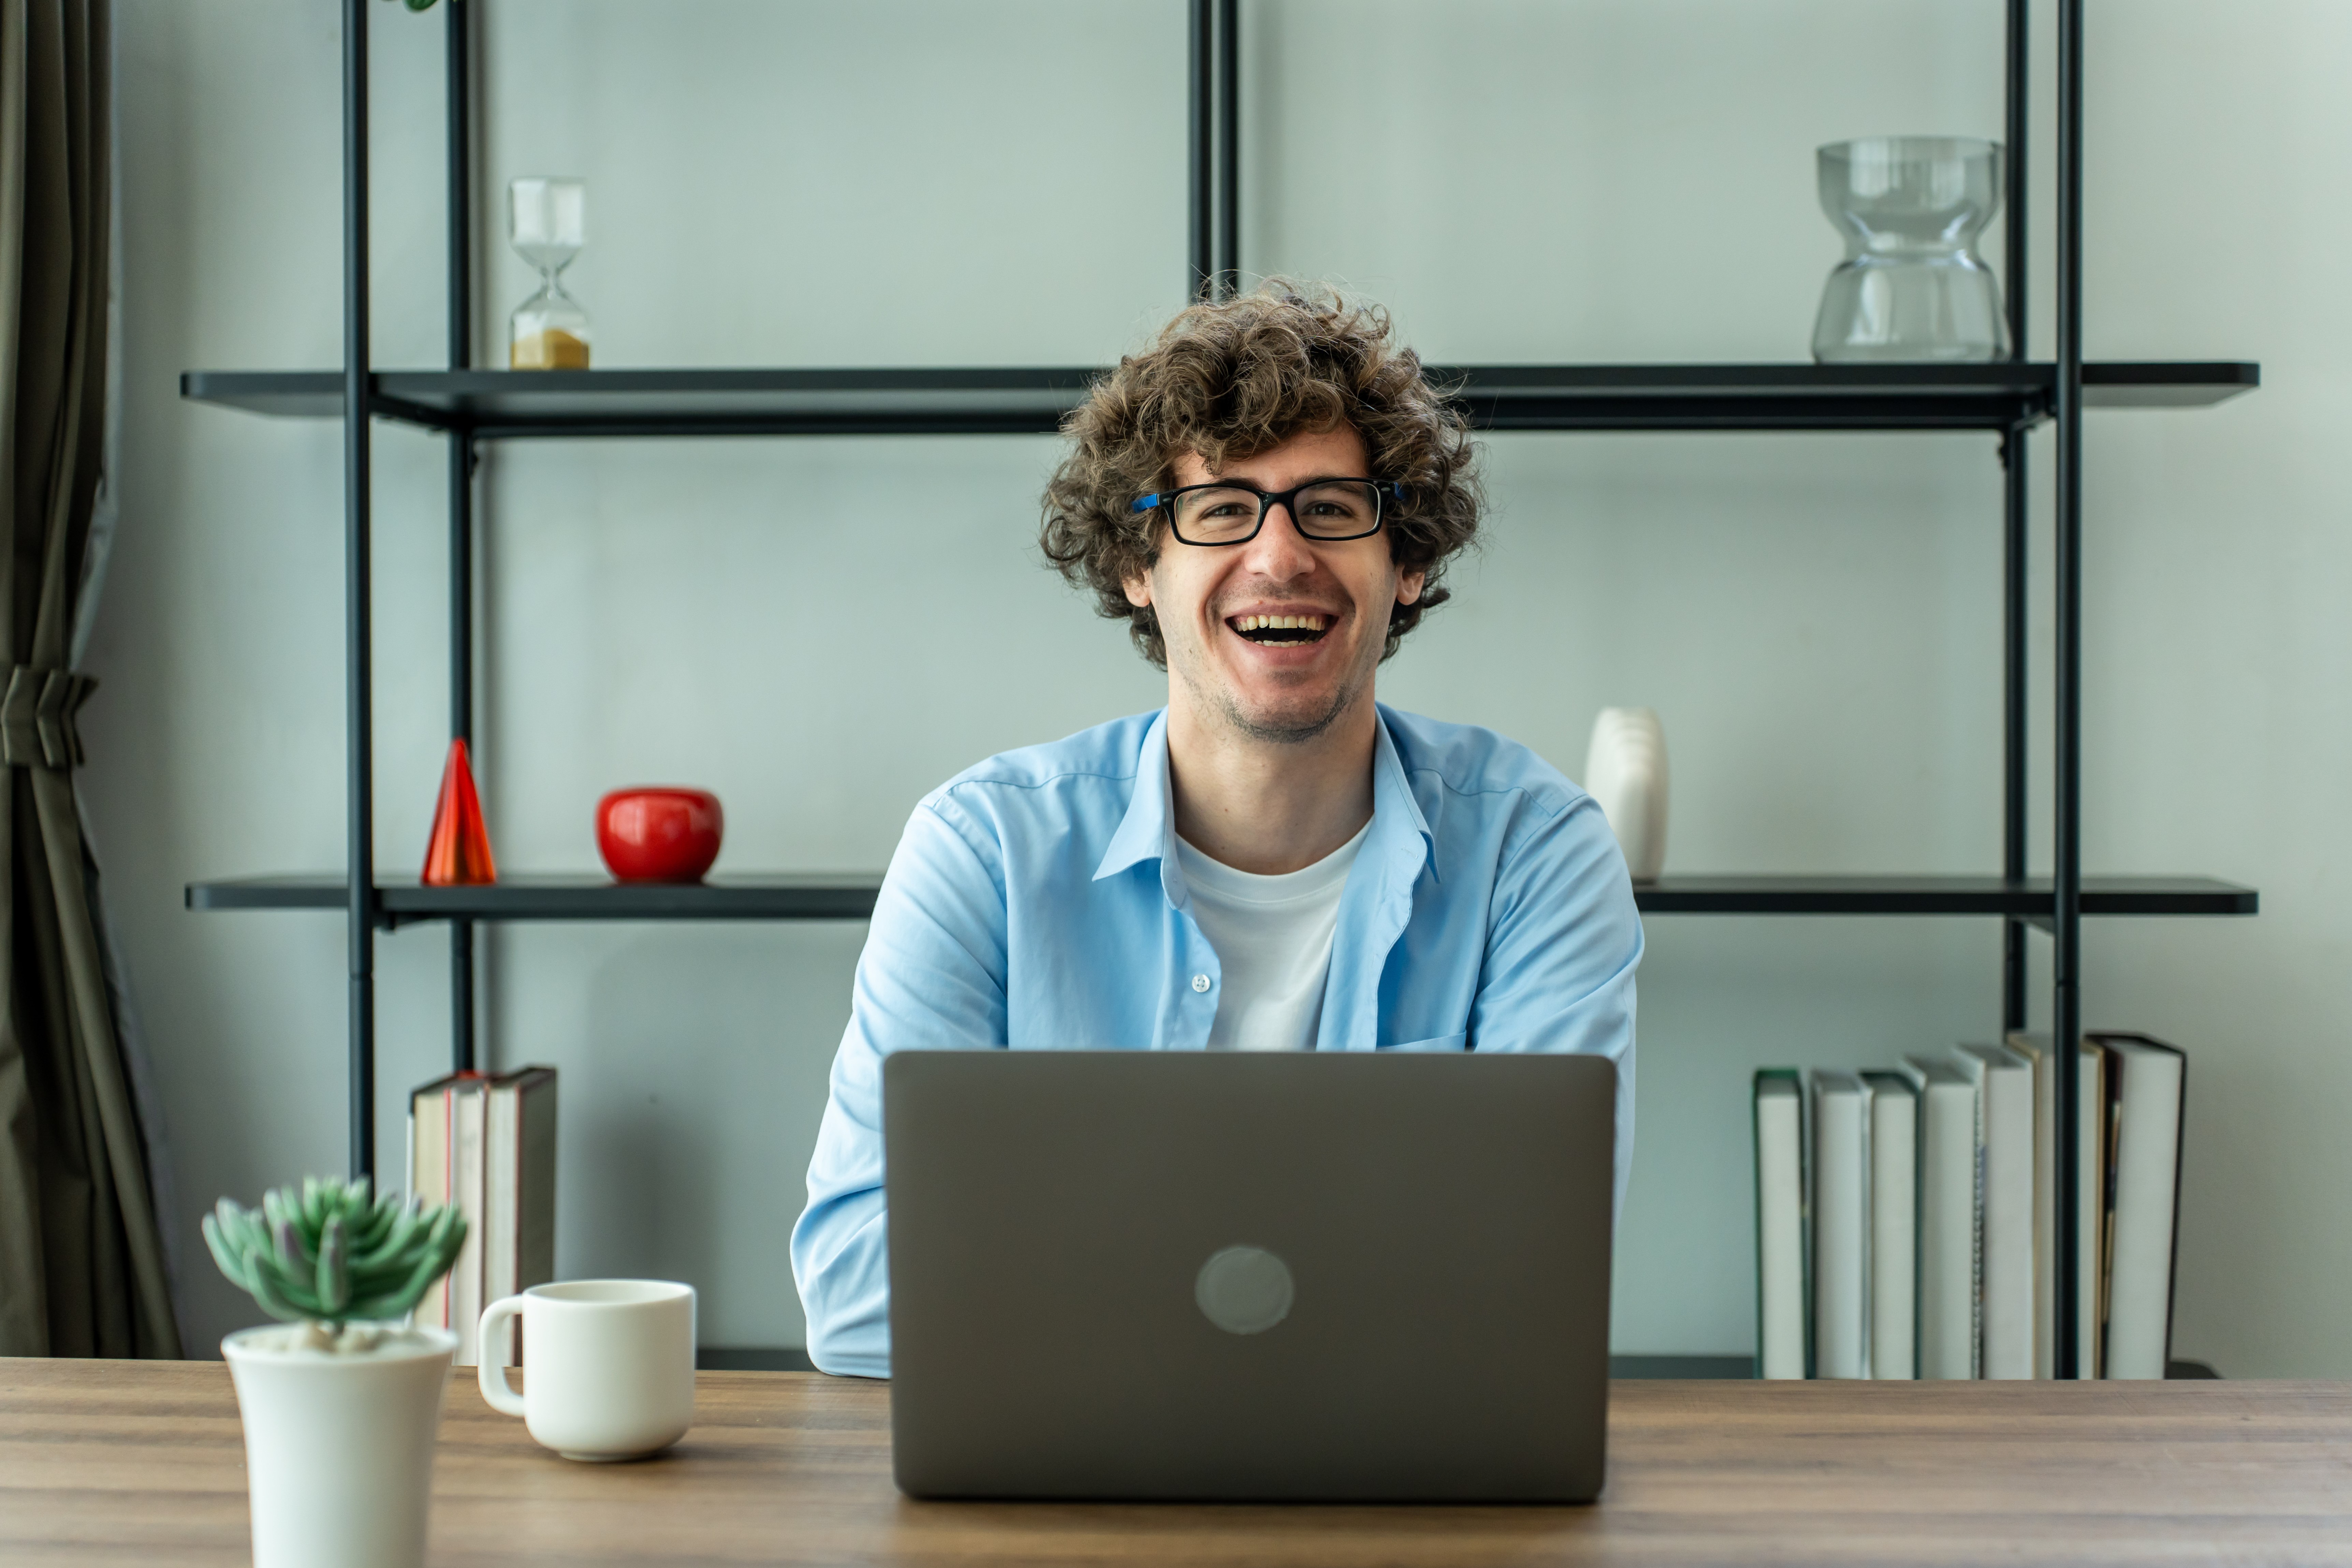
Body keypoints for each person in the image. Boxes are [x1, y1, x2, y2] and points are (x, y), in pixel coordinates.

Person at [790, 284, 1642, 1378]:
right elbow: (860, 1298)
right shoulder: (981, 853)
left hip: (1406, 1518)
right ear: (1141, 568)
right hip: (1066, 1511)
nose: (1279, 557)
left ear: (1410, 565)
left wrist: (1060, 1274)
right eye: (1221, 510)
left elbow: (1535, 1289)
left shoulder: (1540, 856)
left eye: (1332, 508)